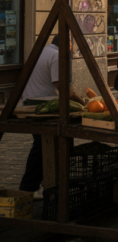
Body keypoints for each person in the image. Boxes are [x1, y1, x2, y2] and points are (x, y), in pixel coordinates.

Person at [19, 35, 83, 193]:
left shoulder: (44, 51)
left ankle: (47, 184)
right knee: (42, 147)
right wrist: (83, 103)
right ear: (67, 44)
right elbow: (62, 88)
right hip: (40, 106)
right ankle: (28, 188)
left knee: (45, 146)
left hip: (32, 101)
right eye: (71, 46)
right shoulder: (56, 56)